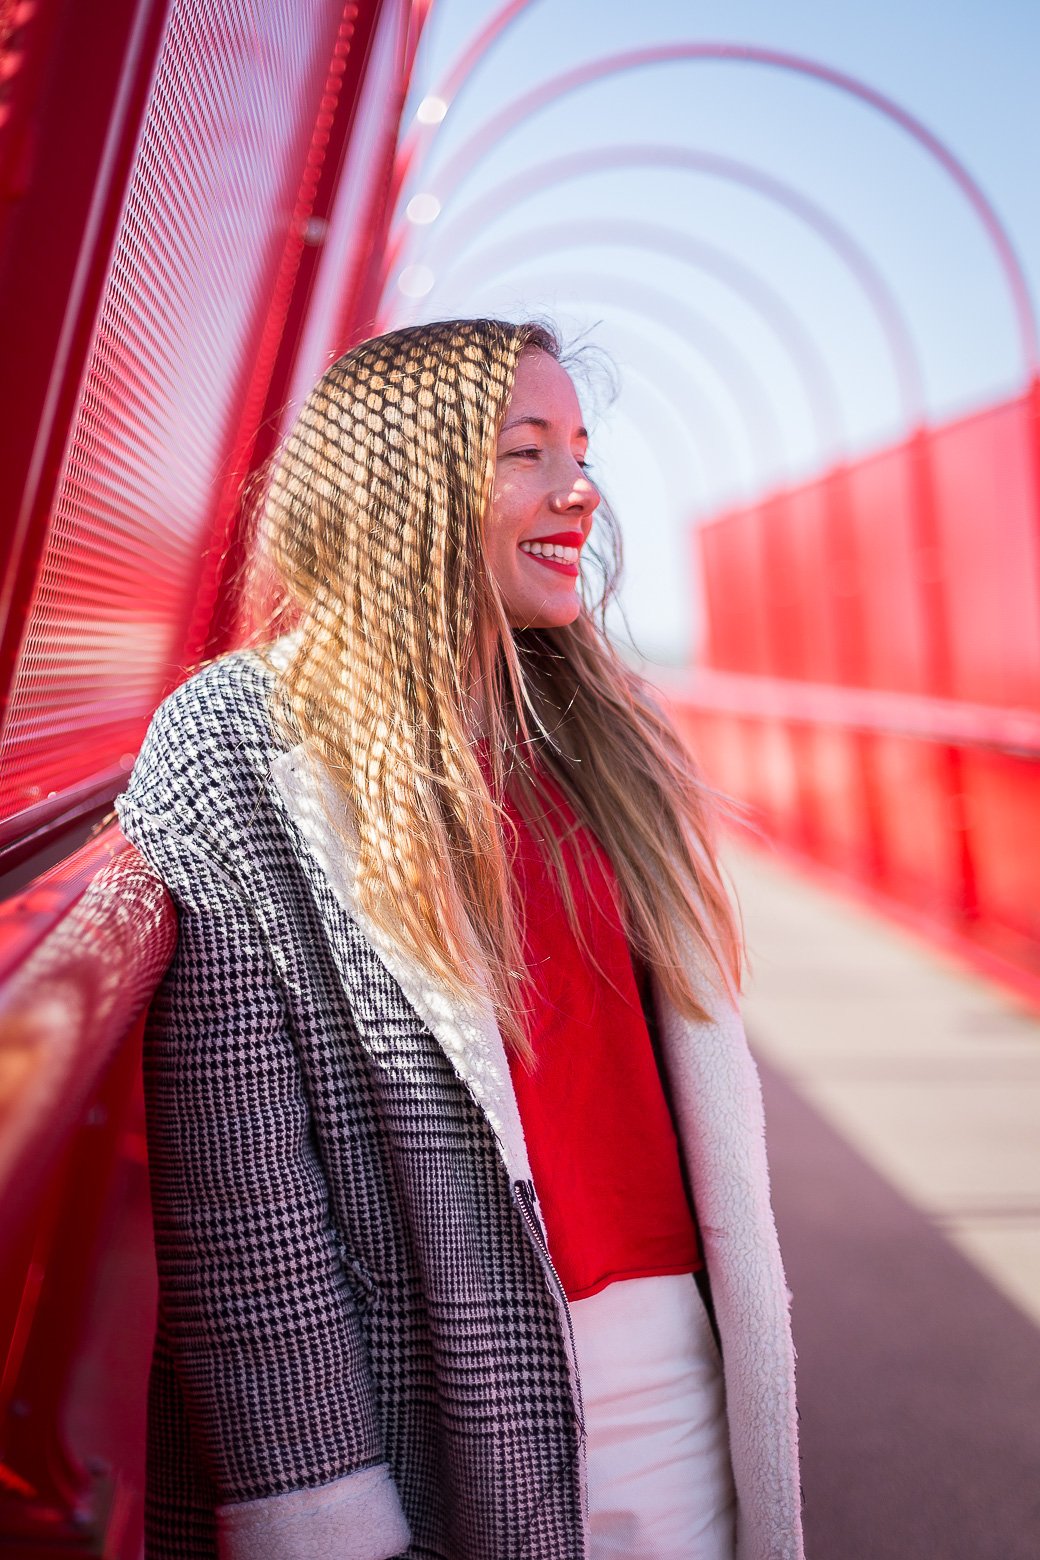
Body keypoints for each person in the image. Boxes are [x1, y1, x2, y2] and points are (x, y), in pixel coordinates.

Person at [116, 317, 803, 1560]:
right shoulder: (236, 745)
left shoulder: (606, 731)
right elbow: (244, 1206)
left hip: (674, 1369)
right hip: (441, 1407)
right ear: (403, 488)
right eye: (523, 453)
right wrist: (319, 1515)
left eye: (580, 450)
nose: (576, 489)